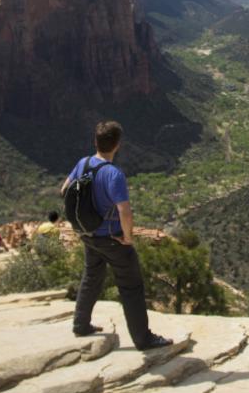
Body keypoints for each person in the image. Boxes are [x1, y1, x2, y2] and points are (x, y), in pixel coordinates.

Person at [62, 121, 172, 351]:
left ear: (96, 142)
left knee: (91, 276)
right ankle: (143, 339)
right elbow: (125, 210)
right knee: (131, 286)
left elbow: (65, 190)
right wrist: (128, 237)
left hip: (87, 234)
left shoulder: (83, 163)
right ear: (117, 145)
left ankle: (81, 324)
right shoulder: (114, 174)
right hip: (111, 238)